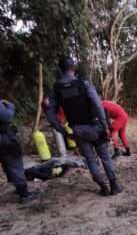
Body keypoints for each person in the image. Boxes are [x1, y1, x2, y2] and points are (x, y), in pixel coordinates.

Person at [46, 57, 122, 196]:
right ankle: (114, 186)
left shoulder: (56, 90)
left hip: (77, 130)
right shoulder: (84, 84)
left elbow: (50, 113)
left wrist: (62, 131)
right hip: (95, 127)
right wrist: (104, 125)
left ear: (60, 70)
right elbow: (97, 105)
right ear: (73, 68)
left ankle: (102, 187)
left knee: (90, 158)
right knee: (105, 156)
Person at [0, 99, 39, 203]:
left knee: (7, 163)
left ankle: (18, 188)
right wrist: (10, 105)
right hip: (4, 139)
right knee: (14, 163)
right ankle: (24, 194)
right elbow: (7, 116)